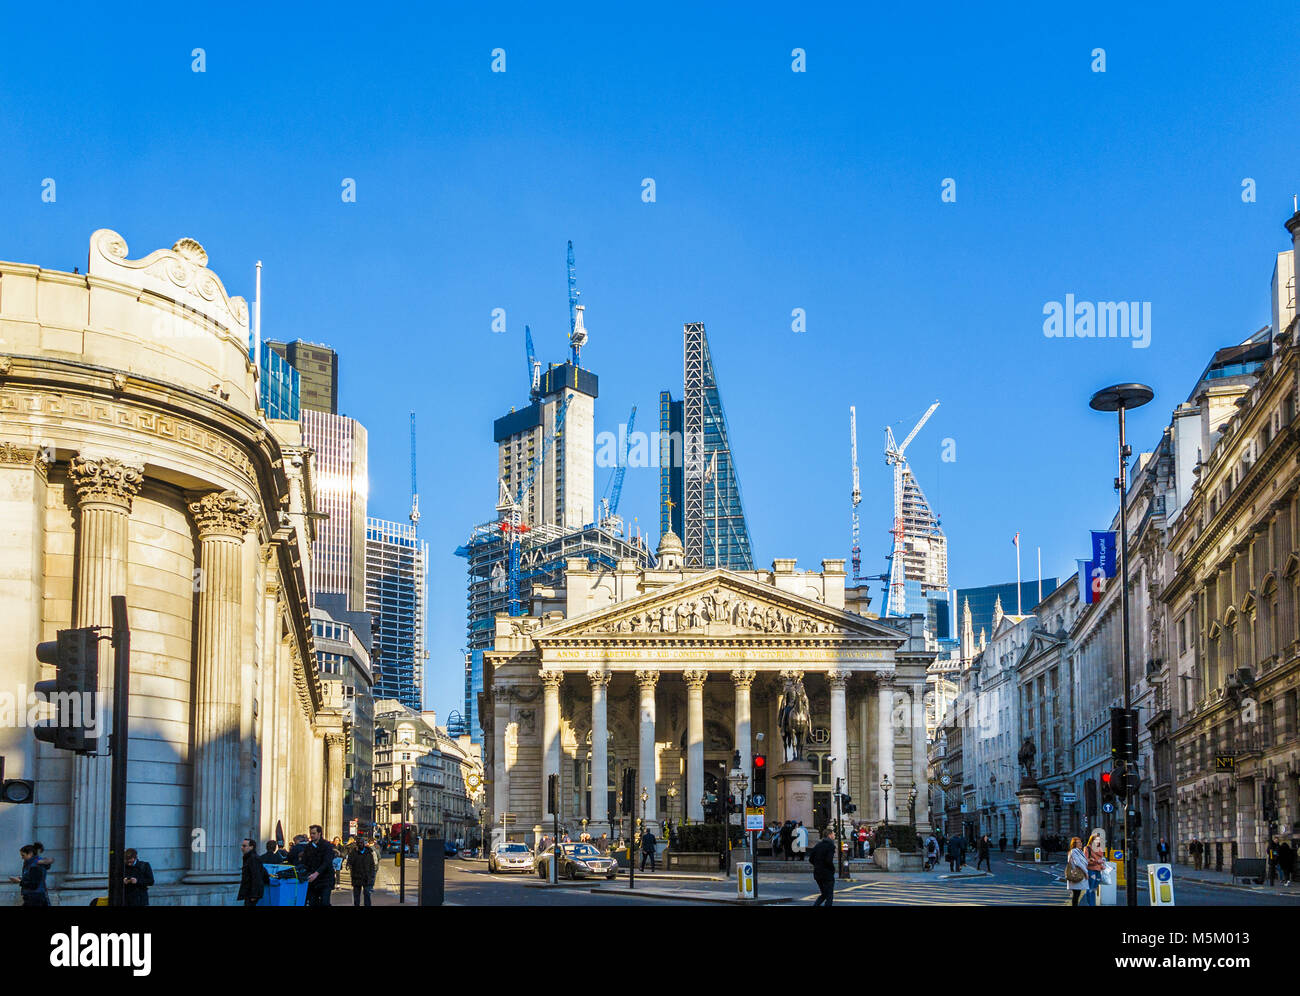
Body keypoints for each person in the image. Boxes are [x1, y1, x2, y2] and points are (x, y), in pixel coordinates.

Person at [303, 825, 336, 906]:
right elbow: (305, 862)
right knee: (313, 902)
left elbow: (327, 862)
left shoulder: (326, 845)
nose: (312, 835)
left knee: (325, 902)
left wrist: (316, 873)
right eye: (311, 833)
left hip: (325, 879)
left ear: (319, 833)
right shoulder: (308, 846)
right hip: (313, 881)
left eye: (314, 833)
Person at [347, 838, 377, 906]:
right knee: (356, 896)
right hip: (356, 877)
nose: (360, 844)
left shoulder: (368, 852)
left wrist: (372, 875)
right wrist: (354, 852)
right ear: (356, 844)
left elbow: (372, 864)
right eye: (359, 843)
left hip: (366, 877)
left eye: (361, 843)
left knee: (367, 895)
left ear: (364, 843)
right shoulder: (353, 852)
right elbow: (350, 862)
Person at [810, 829, 837, 907]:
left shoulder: (818, 845)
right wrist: (832, 869)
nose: (834, 836)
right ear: (829, 835)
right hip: (827, 874)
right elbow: (828, 860)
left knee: (824, 894)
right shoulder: (830, 846)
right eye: (833, 834)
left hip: (817, 873)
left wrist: (817, 865)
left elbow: (811, 859)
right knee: (829, 896)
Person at [237, 837, 267, 906]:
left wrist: (254, 895)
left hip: (251, 892)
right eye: (242, 846)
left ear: (251, 847)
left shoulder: (253, 858)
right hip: (249, 891)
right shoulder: (248, 858)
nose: (242, 848)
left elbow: (256, 876)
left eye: (244, 846)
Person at [1084, 830, 1106, 906]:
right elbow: (1085, 861)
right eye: (1096, 839)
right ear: (1092, 840)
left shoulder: (1100, 849)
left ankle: (1092, 904)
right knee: (1090, 889)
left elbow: (1101, 859)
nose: (1098, 841)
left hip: (1098, 871)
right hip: (1091, 871)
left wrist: (1102, 865)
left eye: (1099, 839)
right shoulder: (1087, 848)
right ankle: (1091, 904)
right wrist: (1096, 861)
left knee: (1094, 889)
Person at [1066, 837, 1090, 906]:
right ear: (1074, 844)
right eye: (1078, 842)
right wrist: (1086, 872)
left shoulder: (1079, 851)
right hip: (1076, 874)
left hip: (1079, 873)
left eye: (1080, 842)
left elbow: (1083, 861)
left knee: (1077, 894)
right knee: (1076, 894)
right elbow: (1078, 863)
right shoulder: (1074, 851)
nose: (1080, 844)